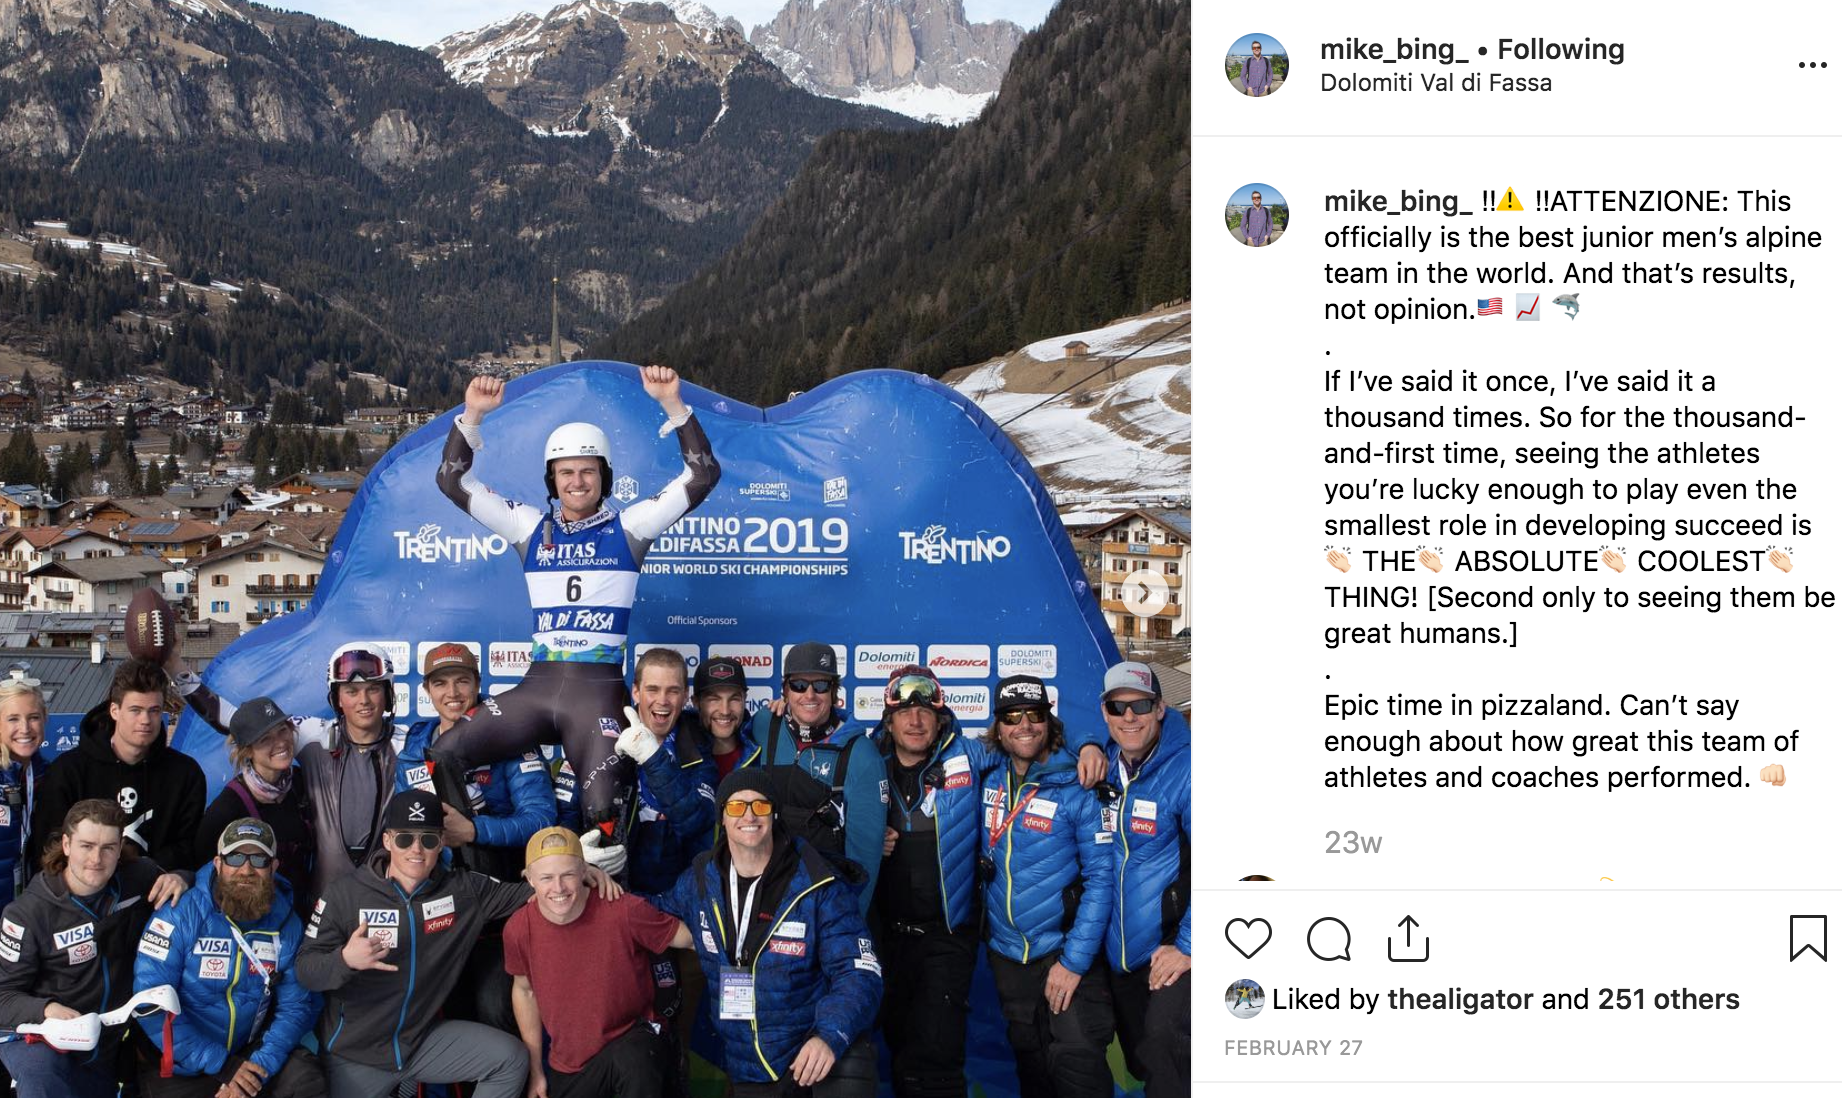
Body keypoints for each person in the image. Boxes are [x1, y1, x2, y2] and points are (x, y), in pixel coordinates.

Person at [427, 366, 720, 854]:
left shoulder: (632, 528)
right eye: (566, 472)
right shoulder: (528, 528)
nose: (577, 481)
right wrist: (473, 415)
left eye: (588, 471)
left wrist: (673, 404)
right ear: (553, 478)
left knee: (603, 821)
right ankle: (472, 871)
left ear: (604, 476)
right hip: (537, 688)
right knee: (443, 754)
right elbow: (452, 482)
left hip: (597, 696)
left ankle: (606, 910)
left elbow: (702, 474)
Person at [296, 790, 616, 1098]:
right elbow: (306, 970)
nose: (416, 850)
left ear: (442, 843)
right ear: (388, 840)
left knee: (510, 1059)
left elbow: (537, 893)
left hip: (419, 1043)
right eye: (405, 838)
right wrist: (345, 959)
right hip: (356, 1056)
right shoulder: (345, 894)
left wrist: (581, 872)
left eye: (429, 839)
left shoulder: (463, 892)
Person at [655, 770, 881, 1098]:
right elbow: (651, 912)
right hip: (748, 1063)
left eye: (759, 806)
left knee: (852, 1062)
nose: (748, 815)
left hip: (809, 1050)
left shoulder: (818, 883)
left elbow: (859, 971)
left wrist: (829, 1035)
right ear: (722, 816)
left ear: (774, 815)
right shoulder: (700, 880)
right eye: (736, 807)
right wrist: (591, 885)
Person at [396, 642, 556, 1034]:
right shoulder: (415, 750)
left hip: (501, 902)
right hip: (441, 903)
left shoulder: (512, 739)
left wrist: (473, 831)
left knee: (495, 1009)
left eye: (462, 681)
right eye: (441, 684)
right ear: (427, 692)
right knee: (446, 1013)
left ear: (478, 684)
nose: (452, 693)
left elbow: (542, 820)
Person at [980, 674, 1114, 1098]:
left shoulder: (1079, 786)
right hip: (1006, 954)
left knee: (1077, 1067)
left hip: (1062, 952)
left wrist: (1073, 962)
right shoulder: (988, 776)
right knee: (1032, 1068)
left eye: (1034, 715)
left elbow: (1101, 881)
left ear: (1049, 723)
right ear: (998, 728)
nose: (1024, 725)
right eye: (1012, 717)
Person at [177, 642, 402, 894]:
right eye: (351, 691)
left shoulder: (408, 747)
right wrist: (174, 667)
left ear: (388, 693)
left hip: (385, 898)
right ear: (337, 698)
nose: (364, 701)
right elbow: (237, 721)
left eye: (373, 689)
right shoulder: (314, 735)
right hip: (321, 903)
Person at [867, 665, 997, 1098]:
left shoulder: (970, 756)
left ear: (941, 717)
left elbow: (1032, 746)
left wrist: (1089, 745)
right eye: (904, 712)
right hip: (884, 938)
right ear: (889, 720)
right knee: (900, 1046)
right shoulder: (866, 761)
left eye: (925, 711)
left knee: (936, 1054)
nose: (915, 720)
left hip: (946, 936)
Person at [0, 799, 189, 1096]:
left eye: (108, 848)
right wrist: (46, 1009)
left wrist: (181, 879)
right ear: (66, 844)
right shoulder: (26, 914)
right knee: (41, 1078)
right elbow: (3, 997)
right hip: (43, 1040)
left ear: (120, 848)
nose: (96, 860)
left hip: (105, 1044)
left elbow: (193, 881)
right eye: (86, 846)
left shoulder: (138, 878)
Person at [133, 818, 324, 1097]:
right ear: (218, 863)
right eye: (234, 857)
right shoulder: (178, 912)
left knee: (305, 1078)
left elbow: (296, 1008)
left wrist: (254, 1070)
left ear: (273, 867)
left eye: (258, 859)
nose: (246, 870)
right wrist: (223, 1065)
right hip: (183, 1065)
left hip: (248, 1057)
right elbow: (149, 1002)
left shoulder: (287, 924)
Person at [506, 827, 690, 1098]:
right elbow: (524, 990)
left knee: (636, 1056)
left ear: (585, 871)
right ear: (529, 879)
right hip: (570, 1067)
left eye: (568, 874)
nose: (558, 888)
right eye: (547, 877)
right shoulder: (519, 928)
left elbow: (688, 938)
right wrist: (536, 1070)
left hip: (633, 1045)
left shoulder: (621, 909)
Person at [1098, 662, 1190, 1098]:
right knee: (1138, 1060)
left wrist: (1189, 945)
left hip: (1168, 949)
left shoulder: (1189, 769)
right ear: (1105, 713)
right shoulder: (1101, 767)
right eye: (1119, 706)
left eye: (1140, 705)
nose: (1129, 716)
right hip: (1118, 956)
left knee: (1164, 1053)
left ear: (1160, 709)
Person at [750, 642, 886, 915]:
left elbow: (864, 862)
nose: (809, 694)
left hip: (824, 909)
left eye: (821, 685)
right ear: (785, 690)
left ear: (835, 692)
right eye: (799, 685)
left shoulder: (860, 755)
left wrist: (846, 926)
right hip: (763, 901)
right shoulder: (764, 725)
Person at [32, 660, 206, 873]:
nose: (146, 720)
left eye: (154, 710)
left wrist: (162, 876)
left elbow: (189, 848)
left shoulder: (186, 774)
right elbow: (49, 846)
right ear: (115, 710)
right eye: (136, 710)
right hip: (84, 896)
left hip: (157, 895)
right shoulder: (67, 771)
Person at [195, 696, 317, 920]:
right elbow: (200, 870)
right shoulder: (229, 805)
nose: (280, 742)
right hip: (257, 920)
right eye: (265, 739)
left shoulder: (303, 784)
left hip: (301, 916)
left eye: (282, 730)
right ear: (247, 750)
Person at [0, 673, 49, 906]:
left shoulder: (51, 776)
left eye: (33, 718)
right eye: (12, 719)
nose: (25, 728)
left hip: (29, 912)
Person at [692, 657, 758, 783]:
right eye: (714, 699)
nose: (725, 711)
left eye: (734, 699)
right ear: (696, 702)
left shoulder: (762, 748)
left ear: (745, 699)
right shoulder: (676, 751)